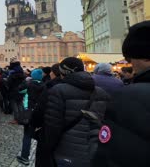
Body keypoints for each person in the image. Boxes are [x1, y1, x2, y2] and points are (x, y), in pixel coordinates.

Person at [93, 21, 150, 167]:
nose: (130, 64)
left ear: (145, 56)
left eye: (131, 59)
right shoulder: (121, 86)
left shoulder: (129, 96)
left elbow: (110, 156)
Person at [43, 57, 109, 167]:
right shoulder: (101, 92)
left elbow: (53, 126)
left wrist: (48, 147)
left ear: (63, 72)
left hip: (66, 151)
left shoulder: (58, 90)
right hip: (94, 150)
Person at [31, 63, 63, 167]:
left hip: (50, 131)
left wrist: (35, 124)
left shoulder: (50, 87)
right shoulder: (92, 88)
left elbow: (39, 110)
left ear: (53, 73)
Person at [16, 69, 45, 165]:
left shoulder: (28, 84)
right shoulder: (45, 86)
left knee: (27, 135)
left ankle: (25, 157)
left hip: (28, 112)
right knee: (39, 135)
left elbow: (20, 90)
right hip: (39, 113)